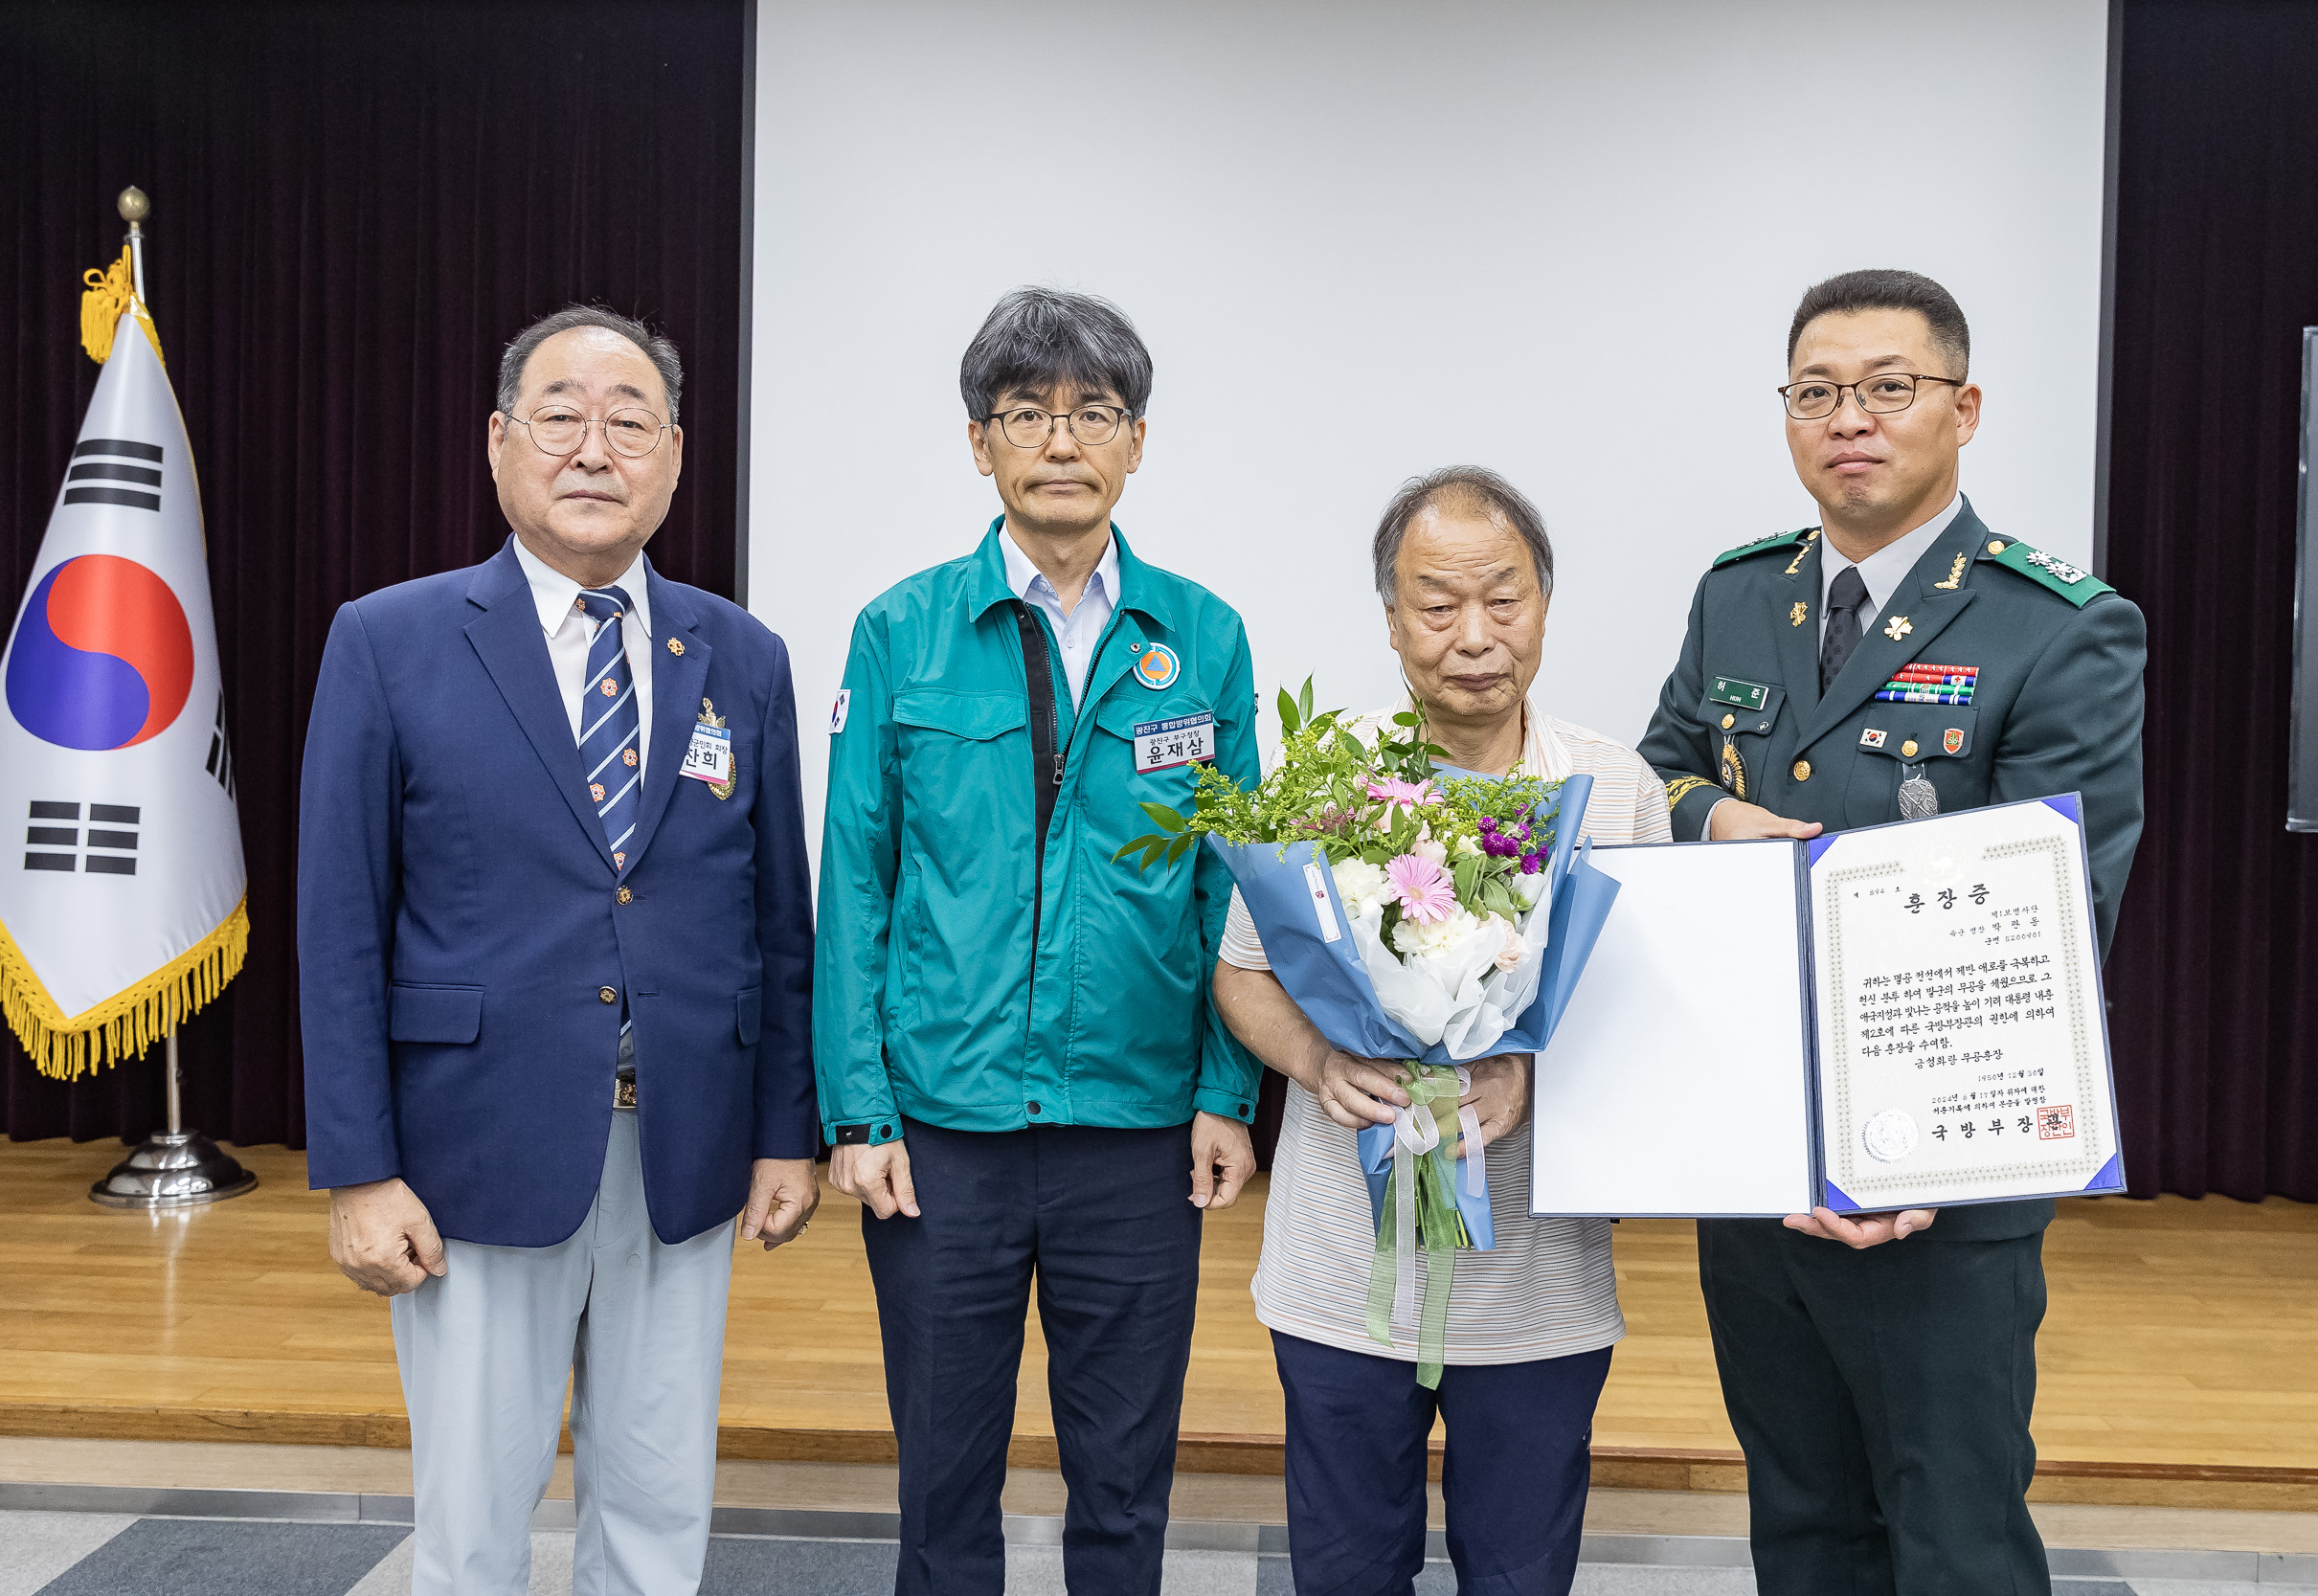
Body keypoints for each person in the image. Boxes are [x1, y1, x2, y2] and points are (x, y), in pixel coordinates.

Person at [1638, 269, 2147, 1595]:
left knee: (1954, 1527)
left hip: (1939, 1175)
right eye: (1817, 392)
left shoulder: (2059, 626)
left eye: (1887, 388)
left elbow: (2058, 909)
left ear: (1963, 408)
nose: (1848, 418)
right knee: (1801, 1512)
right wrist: (1709, 819)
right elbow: (1658, 777)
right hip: (1755, 1150)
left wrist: (1911, 1142)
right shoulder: (1740, 594)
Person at [299, 305, 819, 1596]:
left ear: (677, 454)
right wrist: (358, 1170)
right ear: (498, 443)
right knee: (471, 1517)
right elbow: (340, 919)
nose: (596, 446)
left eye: (630, 418)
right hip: (474, 1146)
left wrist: (784, 1130)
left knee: (656, 1503)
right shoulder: (391, 640)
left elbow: (778, 922)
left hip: (686, 1148)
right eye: (562, 414)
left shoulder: (742, 657)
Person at [812, 285, 1261, 1595]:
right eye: (1028, 413)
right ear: (979, 441)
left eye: (1093, 413)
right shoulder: (902, 630)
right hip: (943, 1127)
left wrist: (1227, 1093)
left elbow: (1230, 887)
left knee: (1123, 1481)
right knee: (942, 1478)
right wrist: (859, 1108)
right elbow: (857, 879)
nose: (1061, 441)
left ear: (1136, 440)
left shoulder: (1205, 635)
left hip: (1134, 1128)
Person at [1210, 467, 1671, 1595]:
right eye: (1436, 604)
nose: (1473, 635)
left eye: (1502, 600)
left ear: (1545, 608)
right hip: (1339, 1274)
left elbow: (1649, 1024)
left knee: (1519, 1572)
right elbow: (1241, 978)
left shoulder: (1616, 789)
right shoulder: (1323, 776)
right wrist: (1322, 1058)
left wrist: (1532, 1070)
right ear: (1389, 619)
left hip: (1541, 1286)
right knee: (1345, 1569)